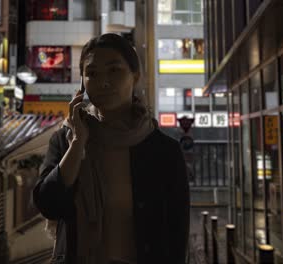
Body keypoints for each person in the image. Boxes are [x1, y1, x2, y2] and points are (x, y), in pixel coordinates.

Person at [33, 33, 189, 264]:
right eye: (92, 73)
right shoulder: (65, 140)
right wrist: (77, 144)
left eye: (114, 70)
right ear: (82, 84)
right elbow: (49, 205)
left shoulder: (164, 151)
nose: (103, 81)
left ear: (135, 76)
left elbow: (177, 234)